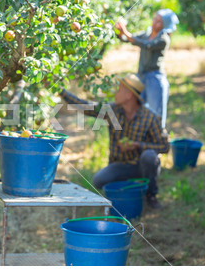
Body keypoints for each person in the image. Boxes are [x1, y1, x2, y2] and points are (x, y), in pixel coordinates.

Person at [57, 73, 169, 208]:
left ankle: (150, 195)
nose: (115, 92)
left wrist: (138, 145)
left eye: (119, 89)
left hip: (141, 166)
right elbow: (85, 106)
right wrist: (60, 91)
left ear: (129, 95)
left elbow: (164, 146)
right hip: (119, 166)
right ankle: (129, 187)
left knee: (149, 157)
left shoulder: (150, 117)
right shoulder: (113, 111)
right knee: (99, 180)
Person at [115, 9, 179, 129]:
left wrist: (126, 33)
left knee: (156, 115)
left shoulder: (164, 39)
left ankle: (158, 143)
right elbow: (128, 39)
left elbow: (145, 45)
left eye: (159, 22)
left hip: (155, 79)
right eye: (155, 19)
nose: (154, 23)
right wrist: (119, 32)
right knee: (139, 111)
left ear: (165, 25)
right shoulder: (147, 33)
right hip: (141, 77)